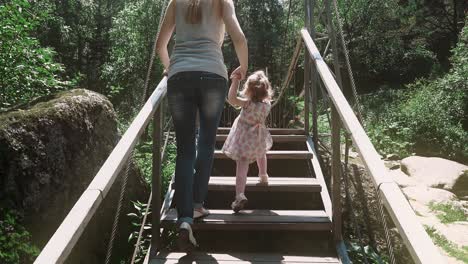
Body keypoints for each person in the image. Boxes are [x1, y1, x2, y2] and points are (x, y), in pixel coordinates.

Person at [155, 0, 248, 252]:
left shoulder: (176, 2)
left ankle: (184, 219)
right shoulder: (222, 1)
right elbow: (239, 38)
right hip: (213, 75)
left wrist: (170, 68)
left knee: (185, 149)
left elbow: (160, 45)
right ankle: (197, 204)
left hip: (180, 77)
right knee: (206, 143)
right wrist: (244, 67)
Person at [222, 70, 273, 212]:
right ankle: (263, 176)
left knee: (242, 166)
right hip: (258, 136)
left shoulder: (247, 104)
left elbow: (231, 99)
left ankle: (239, 195)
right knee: (261, 153)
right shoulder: (267, 105)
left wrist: (235, 82)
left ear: (248, 90)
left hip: (244, 139)